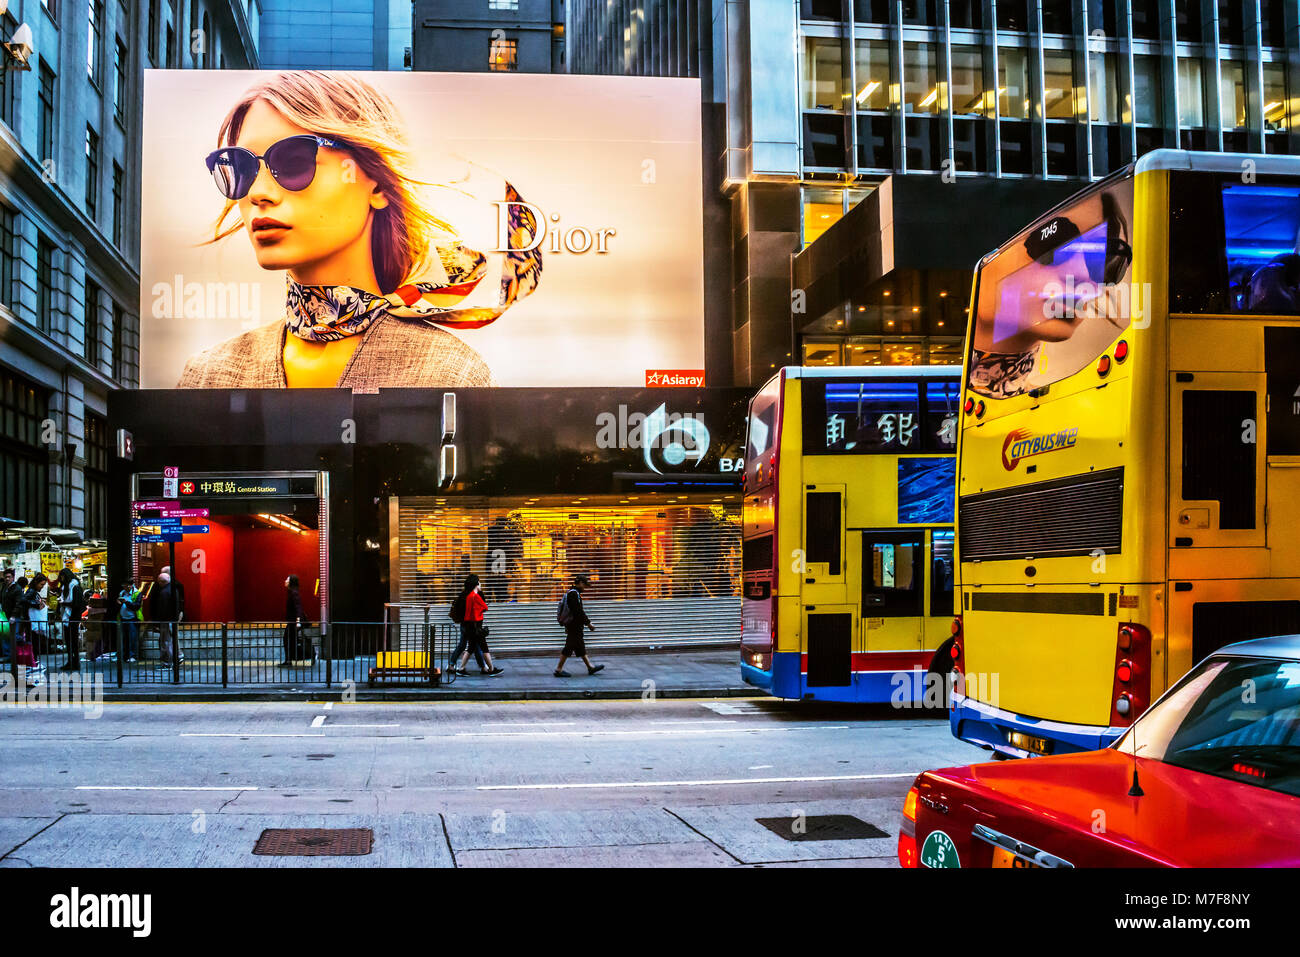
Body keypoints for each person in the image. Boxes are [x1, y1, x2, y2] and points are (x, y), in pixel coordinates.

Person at [178, 71, 542, 390]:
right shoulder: (209, 375)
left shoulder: (450, 373)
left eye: (293, 161)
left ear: (378, 185)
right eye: (241, 168)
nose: (258, 193)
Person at [554, 574, 604, 678]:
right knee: (569, 647)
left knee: (580, 646)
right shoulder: (573, 594)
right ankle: (558, 669)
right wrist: (588, 623)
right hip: (574, 625)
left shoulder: (571, 593)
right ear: (580, 583)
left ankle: (590, 667)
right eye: (584, 585)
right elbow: (578, 612)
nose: (585, 588)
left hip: (573, 625)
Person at [452, 573, 503, 677]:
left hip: (469, 626)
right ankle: (489, 669)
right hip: (475, 627)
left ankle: (462, 668)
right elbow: (485, 607)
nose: (481, 584)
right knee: (482, 647)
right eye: (479, 583)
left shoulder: (468, 595)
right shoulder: (475, 596)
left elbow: (468, 613)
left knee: (471, 648)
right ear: (476, 584)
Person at [150, 571, 186, 665]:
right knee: (171, 640)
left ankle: (168, 661)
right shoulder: (174, 590)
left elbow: (162, 609)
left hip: (166, 621)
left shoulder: (164, 592)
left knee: (166, 641)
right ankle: (177, 657)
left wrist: (157, 623)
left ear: (161, 582)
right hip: (173, 619)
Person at [55, 568, 87, 672]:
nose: (61, 579)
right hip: (67, 617)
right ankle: (70, 661)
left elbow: (77, 604)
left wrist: (63, 603)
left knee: (73, 641)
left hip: (73, 617)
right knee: (68, 641)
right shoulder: (65, 587)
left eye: (63, 576)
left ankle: (75, 662)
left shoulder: (75, 587)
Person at [280, 574, 315, 667]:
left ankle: (290, 660)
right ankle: (289, 660)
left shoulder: (293, 592)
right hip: (293, 622)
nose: (285, 581)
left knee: (288, 640)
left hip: (294, 623)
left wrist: (298, 622)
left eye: (287, 579)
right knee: (290, 640)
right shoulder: (292, 592)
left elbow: (298, 608)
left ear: (291, 582)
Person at [117, 580, 143, 663]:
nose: (126, 588)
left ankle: (133, 655)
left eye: (127, 586)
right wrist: (119, 602)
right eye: (124, 586)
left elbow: (136, 606)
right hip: (123, 618)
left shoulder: (137, 593)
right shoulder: (122, 593)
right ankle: (125, 655)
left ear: (132, 585)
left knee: (132, 638)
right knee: (125, 638)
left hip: (133, 619)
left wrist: (126, 602)